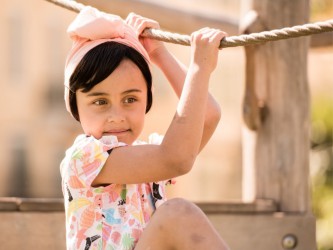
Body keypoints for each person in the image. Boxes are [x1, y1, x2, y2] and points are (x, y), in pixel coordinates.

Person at [60, 5, 230, 250]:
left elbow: (207, 116)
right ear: (75, 105)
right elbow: (176, 159)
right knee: (176, 213)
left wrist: (160, 54)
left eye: (130, 99)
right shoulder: (84, 158)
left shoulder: (149, 154)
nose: (116, 116)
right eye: (100, 102)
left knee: (175, 214)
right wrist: (198, 69)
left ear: (146, 101)